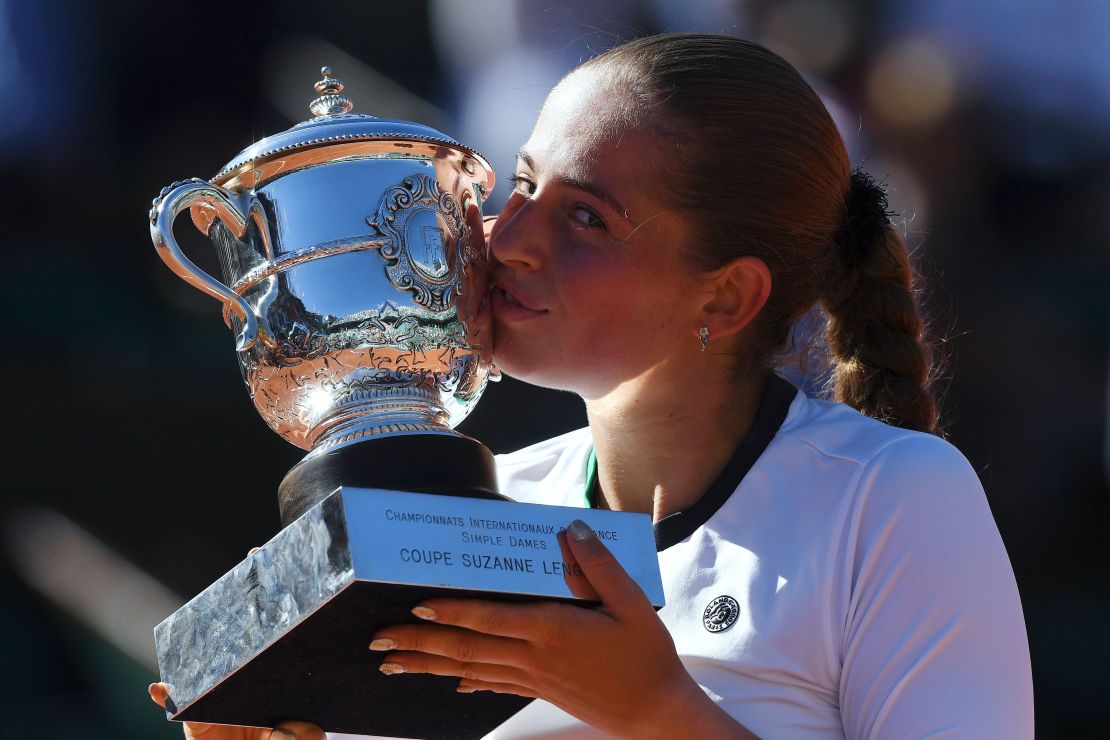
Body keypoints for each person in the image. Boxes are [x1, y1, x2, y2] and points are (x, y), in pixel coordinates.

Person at [150, 33, 1034, 738]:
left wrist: (657, 714)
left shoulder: (894, 497)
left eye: (585, 217)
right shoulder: (480, 512)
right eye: (523, 184)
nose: (509, 237)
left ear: (723, 296)